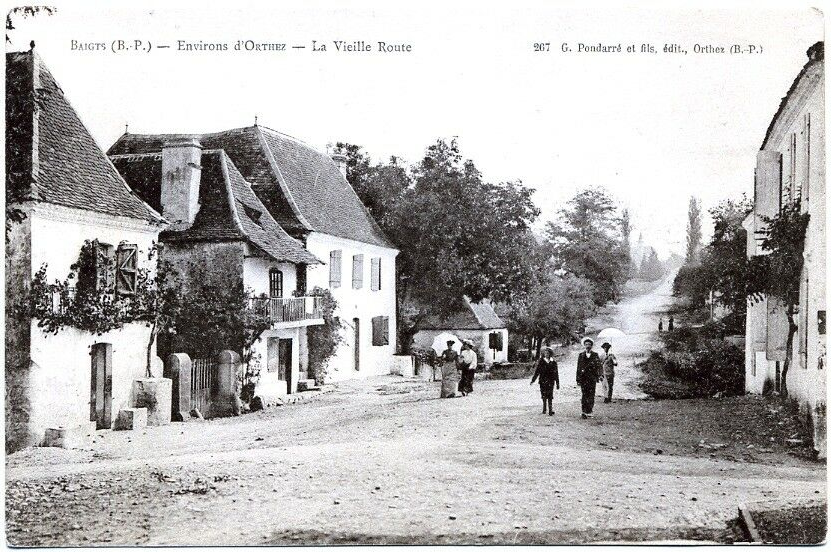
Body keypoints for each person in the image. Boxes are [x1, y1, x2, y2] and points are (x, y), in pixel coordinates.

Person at [576, 338, 602, 418]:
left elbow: (599, 366)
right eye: (586, 344)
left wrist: (599, 375)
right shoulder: (581, 355)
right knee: (584, 394)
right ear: (584, 345)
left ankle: (589, 411)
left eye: (589, 344)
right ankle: (584, 411)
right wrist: (578, 379)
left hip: (592, 378)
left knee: (591, 395)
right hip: (583, 378)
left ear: (591, 346)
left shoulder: (595, 355)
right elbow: (578, 368)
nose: (588, 346)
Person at [531, 347, 559, 415]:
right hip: (542, 380)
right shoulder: (541, 361)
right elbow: (537, 371)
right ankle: (544, 409)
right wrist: (533, 380)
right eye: (545, 353)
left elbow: (556, 373)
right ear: (543, 354)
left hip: (550, 381)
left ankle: (550, 410)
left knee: (550, 395)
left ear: (550, 354)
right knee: (543, 395)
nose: (546, 354)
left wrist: (557, 383)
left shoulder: (553, 362)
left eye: (548, 353)